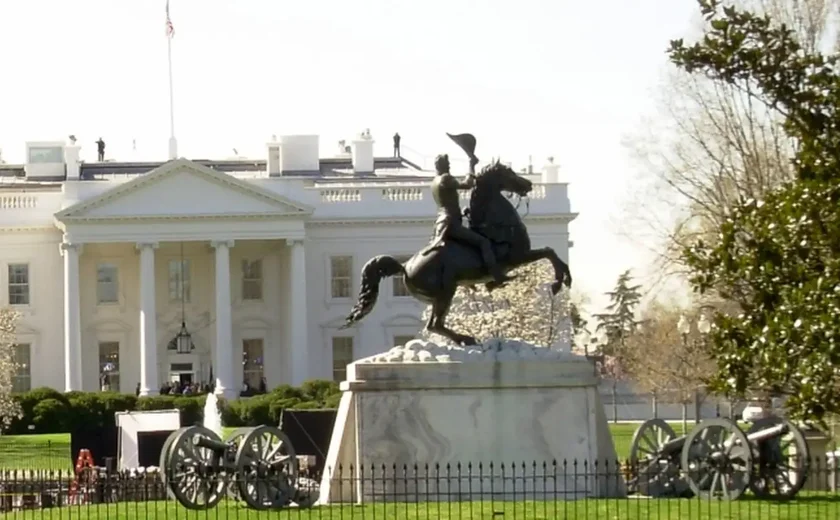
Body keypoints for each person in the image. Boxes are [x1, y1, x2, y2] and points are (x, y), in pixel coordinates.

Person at [429, 153, 513, 289]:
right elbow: (468, 184)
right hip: (451, 223)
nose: (449, 166)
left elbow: (446, 203)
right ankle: (496, 277)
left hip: (443, 221)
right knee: (484, 242)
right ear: (443, 165)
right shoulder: (445, 178)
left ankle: (471, 277)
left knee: (467, 246)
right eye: (448, 164)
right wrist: (471, 165)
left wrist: (462, 212)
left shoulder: (434, 181)